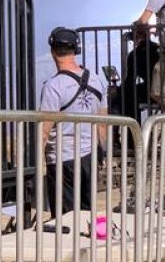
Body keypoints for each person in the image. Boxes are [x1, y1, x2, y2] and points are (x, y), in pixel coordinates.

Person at [39, 27, 108, 215]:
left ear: (53, 51)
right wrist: (101, 154)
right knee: (86, 215)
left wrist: (37, 166)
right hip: (89, 158)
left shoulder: (53, 86)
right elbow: (102, 123)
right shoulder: (96, 80)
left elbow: (44, 130)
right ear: (76, 50)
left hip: (63, 160)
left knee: (65, 220)